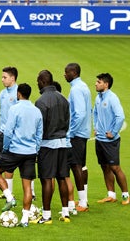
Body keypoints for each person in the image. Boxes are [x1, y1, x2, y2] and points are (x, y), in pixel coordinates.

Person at [0, 83, 43, 227]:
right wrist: (36, 149)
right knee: (27, 186)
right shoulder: (36, 111)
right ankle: (25, 220)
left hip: (14, 151)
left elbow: (8, 132)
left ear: (18, 94)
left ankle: (9, 197)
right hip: (30, 152)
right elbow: (39, 134)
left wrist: (6, 148)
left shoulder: (15, 109)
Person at [34, 70, 73, 224]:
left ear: (43, 81)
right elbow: (68, 121)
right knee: (62, 177)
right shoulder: (64, 99)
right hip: (63, 143)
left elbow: (40, 127)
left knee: (46, 179)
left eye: (38, 80)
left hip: (47, 144)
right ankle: (65, 213)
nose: (37, 83)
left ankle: (46, 215)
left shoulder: (41, 101)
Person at [93, 73, 130, 205]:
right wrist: (96, 126)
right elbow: (95, 112)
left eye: (99, 82)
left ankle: (125, 195)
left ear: (106, 84)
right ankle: (111, 194)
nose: (96, 84)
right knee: (105, 167)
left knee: (115, 167)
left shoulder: (112, 98)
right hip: (100, 139)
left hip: (110, 141)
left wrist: (113, 132)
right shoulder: (98, 97)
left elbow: (120, 117)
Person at [64, 62, 91, 214]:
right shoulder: (83, 86)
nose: (64, 74)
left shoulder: (76, 90)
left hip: (77, 134)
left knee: (76, 166)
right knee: (81, 165)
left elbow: (79, 113)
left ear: (73, 73)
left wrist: (71, 132)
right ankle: (83, 199)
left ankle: (82, 202)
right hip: (84, 132)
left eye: (66, 72)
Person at [0, 66, 19, 200]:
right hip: (2, 132)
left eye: (5, 77)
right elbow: (1, 113)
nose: (2, 79)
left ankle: (31, 193)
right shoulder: (2, 93)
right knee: (5, 163)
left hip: (14, 134)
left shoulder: (18, 93)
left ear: (12, 78)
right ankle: (8, 192)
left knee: (21, 162)